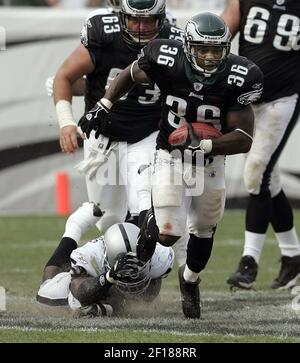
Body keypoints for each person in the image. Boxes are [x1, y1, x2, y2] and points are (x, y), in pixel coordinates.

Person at [78, 12, 263, 318]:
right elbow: (130, 73)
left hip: (211, 163)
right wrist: (105, 103)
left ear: (226, 49)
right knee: (167, 232)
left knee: (203, 231)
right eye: (202, 49)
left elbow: (244, 137)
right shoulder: (167, 57)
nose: (208, 56)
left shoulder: (240, 75)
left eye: (215, 50)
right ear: (188, 46)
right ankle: (138, 270)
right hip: (170, 155)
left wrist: (206, 144)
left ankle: (189, 279)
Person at [50, 0, 186, 275]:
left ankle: (144, 275)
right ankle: (115, 273)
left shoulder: (173, 43)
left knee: (144, 205)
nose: (141, 27)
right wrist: (66, 123)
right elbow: (64, 77)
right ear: (121, 16)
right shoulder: (104, 34)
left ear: (161, 19)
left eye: (148, 20)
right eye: (135, 19)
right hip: (103, 136)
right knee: (108, 219)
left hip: (147, 134)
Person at [222, 0, 300, 290]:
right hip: (247, 98)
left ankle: (249, 261)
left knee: (256, 173)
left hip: (283, 98)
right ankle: (293, 256)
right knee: (268, 175)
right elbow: (223, 30)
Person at [37, 221, 175, 317]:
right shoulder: (90, 255)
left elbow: (150, 291)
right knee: (49, 289)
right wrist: (109, 277)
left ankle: (106, 307)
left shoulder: (159, 255)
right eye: (127, 277)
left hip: (107, 285)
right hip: (71, 293)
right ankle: (76, 225)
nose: (132, 281)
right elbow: (80, 292)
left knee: (109, 306)